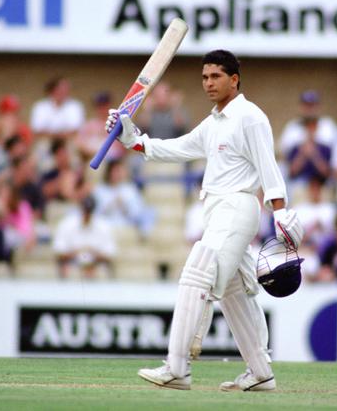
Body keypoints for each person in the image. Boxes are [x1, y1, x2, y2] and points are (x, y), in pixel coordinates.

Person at [105, 49, 303, 392]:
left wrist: (281, 211)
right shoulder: (213, 123)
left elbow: (269, 167)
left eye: (215, 76)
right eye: (204, 77)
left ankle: (177, 367)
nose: (208, 83)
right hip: (216, 211)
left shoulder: (250, 117)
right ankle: (260, 373)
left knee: (198, 272)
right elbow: (177, 148)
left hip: (238, 208)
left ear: (234, 79)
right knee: (233, 291)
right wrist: (132, 139)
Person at [52, 196, 116, 279]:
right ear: (81, 209)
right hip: (72, 263)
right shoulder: (67, 224)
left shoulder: (103, 226)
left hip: (96, 264)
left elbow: (109, 253)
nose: (87, 214)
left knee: (102, 271)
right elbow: (59, 251)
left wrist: (92, 256)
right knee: (66, 269)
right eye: (85, 210)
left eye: (90, 211)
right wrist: (78, 253)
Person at [92, 158, 155, 239]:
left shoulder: (129, 189)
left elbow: (137, 213)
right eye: (114, 171)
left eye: (119, 171)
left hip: (126, 223)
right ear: (108, 172)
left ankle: (144, 235)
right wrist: (110, 206)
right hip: (106, 225)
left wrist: (125, 206)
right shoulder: (99, 190)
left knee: (150, 211)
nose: (117, 174)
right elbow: (95, 213)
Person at [278, 90, 337, 159]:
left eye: (312, 105)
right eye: (306, 105)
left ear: (318, 106)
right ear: (301, 107)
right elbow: (283, 151)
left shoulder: (327, 124)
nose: (309, 109)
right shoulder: (292, 126)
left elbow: (334, 151)